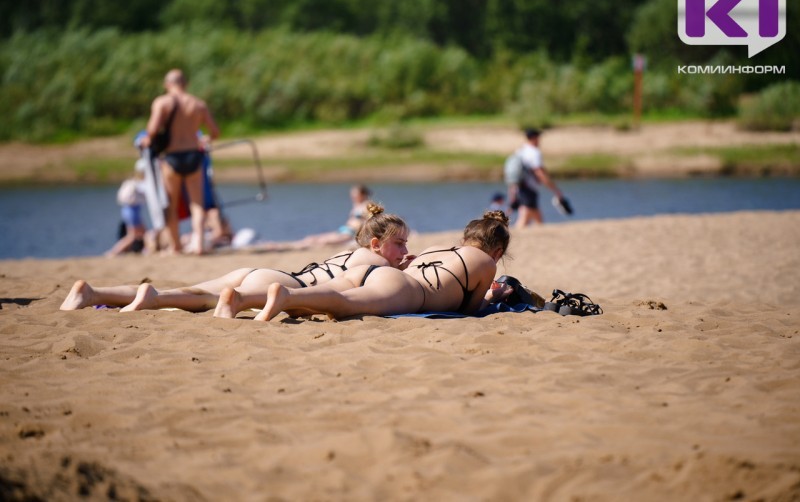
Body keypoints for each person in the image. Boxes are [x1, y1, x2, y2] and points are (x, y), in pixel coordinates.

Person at [60, 203, 412, 315]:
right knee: (204, 300)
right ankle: (152, 298)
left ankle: (93, 293)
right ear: (376, 244)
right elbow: (351, 295)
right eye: (399, 244)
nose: (404, 252)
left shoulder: (349, 252)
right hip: (283, 283)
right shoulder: (376, 262)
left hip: (264, 271)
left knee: (193, 291)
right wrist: (405, 272)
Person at [253, 210, 513, 322]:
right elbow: (469, 310)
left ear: (465, 238)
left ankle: (288, 299)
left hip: (375, 272)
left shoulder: (437, 248)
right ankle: (287, 295)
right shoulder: (485, 263)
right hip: (404, 288)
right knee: (343, 304)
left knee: (327, 295)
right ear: (498, 252)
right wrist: (492, 296)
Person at [140, 69, 220, 255]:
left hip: (172, 157)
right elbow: (215, 132)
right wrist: (205, 139)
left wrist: (148, 140)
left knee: (172, 203)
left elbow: (152, 129)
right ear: (186, 84)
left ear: (167, 84)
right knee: (197, 204)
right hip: (193, 155)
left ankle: (176, 246)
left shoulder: (162, 102)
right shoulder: (198, 104)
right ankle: (198, 243)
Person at [252, 185, 373, 251]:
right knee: (312, 238)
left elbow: (371, 221)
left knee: (322, 242)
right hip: (343, 230)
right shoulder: (356, 205)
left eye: (355, 194)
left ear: (362, 194)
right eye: (352, 194)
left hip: (350, 234)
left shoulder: (366, 205)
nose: (352, 196)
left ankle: (285, 247)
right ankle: (283, 246)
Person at [506, 128, 568, 227]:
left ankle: (541, 231)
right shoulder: (534, 152)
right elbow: (539, 173)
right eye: (538, 138)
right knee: (525, 214)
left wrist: (512, 194)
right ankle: (515, 233)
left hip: (520, 187)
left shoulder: (520, 151)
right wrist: (555, 190)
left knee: (536, 215)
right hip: (528, 188)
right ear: (535, 138)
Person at [105, 160, 147, 257]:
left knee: (140, 233)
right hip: (133, 211)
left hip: (127, 210)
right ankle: (114, 252)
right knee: (133, 235)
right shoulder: (139, 183)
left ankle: (141, 250)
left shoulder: (131, 181)